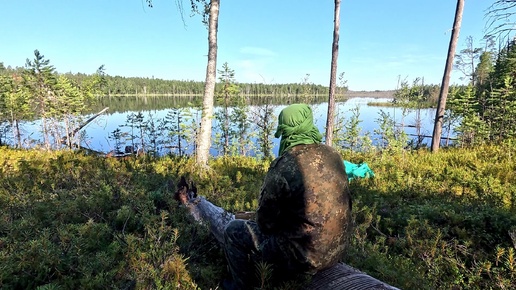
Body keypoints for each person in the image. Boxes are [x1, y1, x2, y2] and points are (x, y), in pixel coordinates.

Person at [177, 103, 352, 289]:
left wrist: (255, 219)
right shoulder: (333, 155)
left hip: (302, 259)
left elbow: (265, 223)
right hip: (337, 252)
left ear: (286, 130)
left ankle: (239, 286)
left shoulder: (284, 165)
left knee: (233, 230)